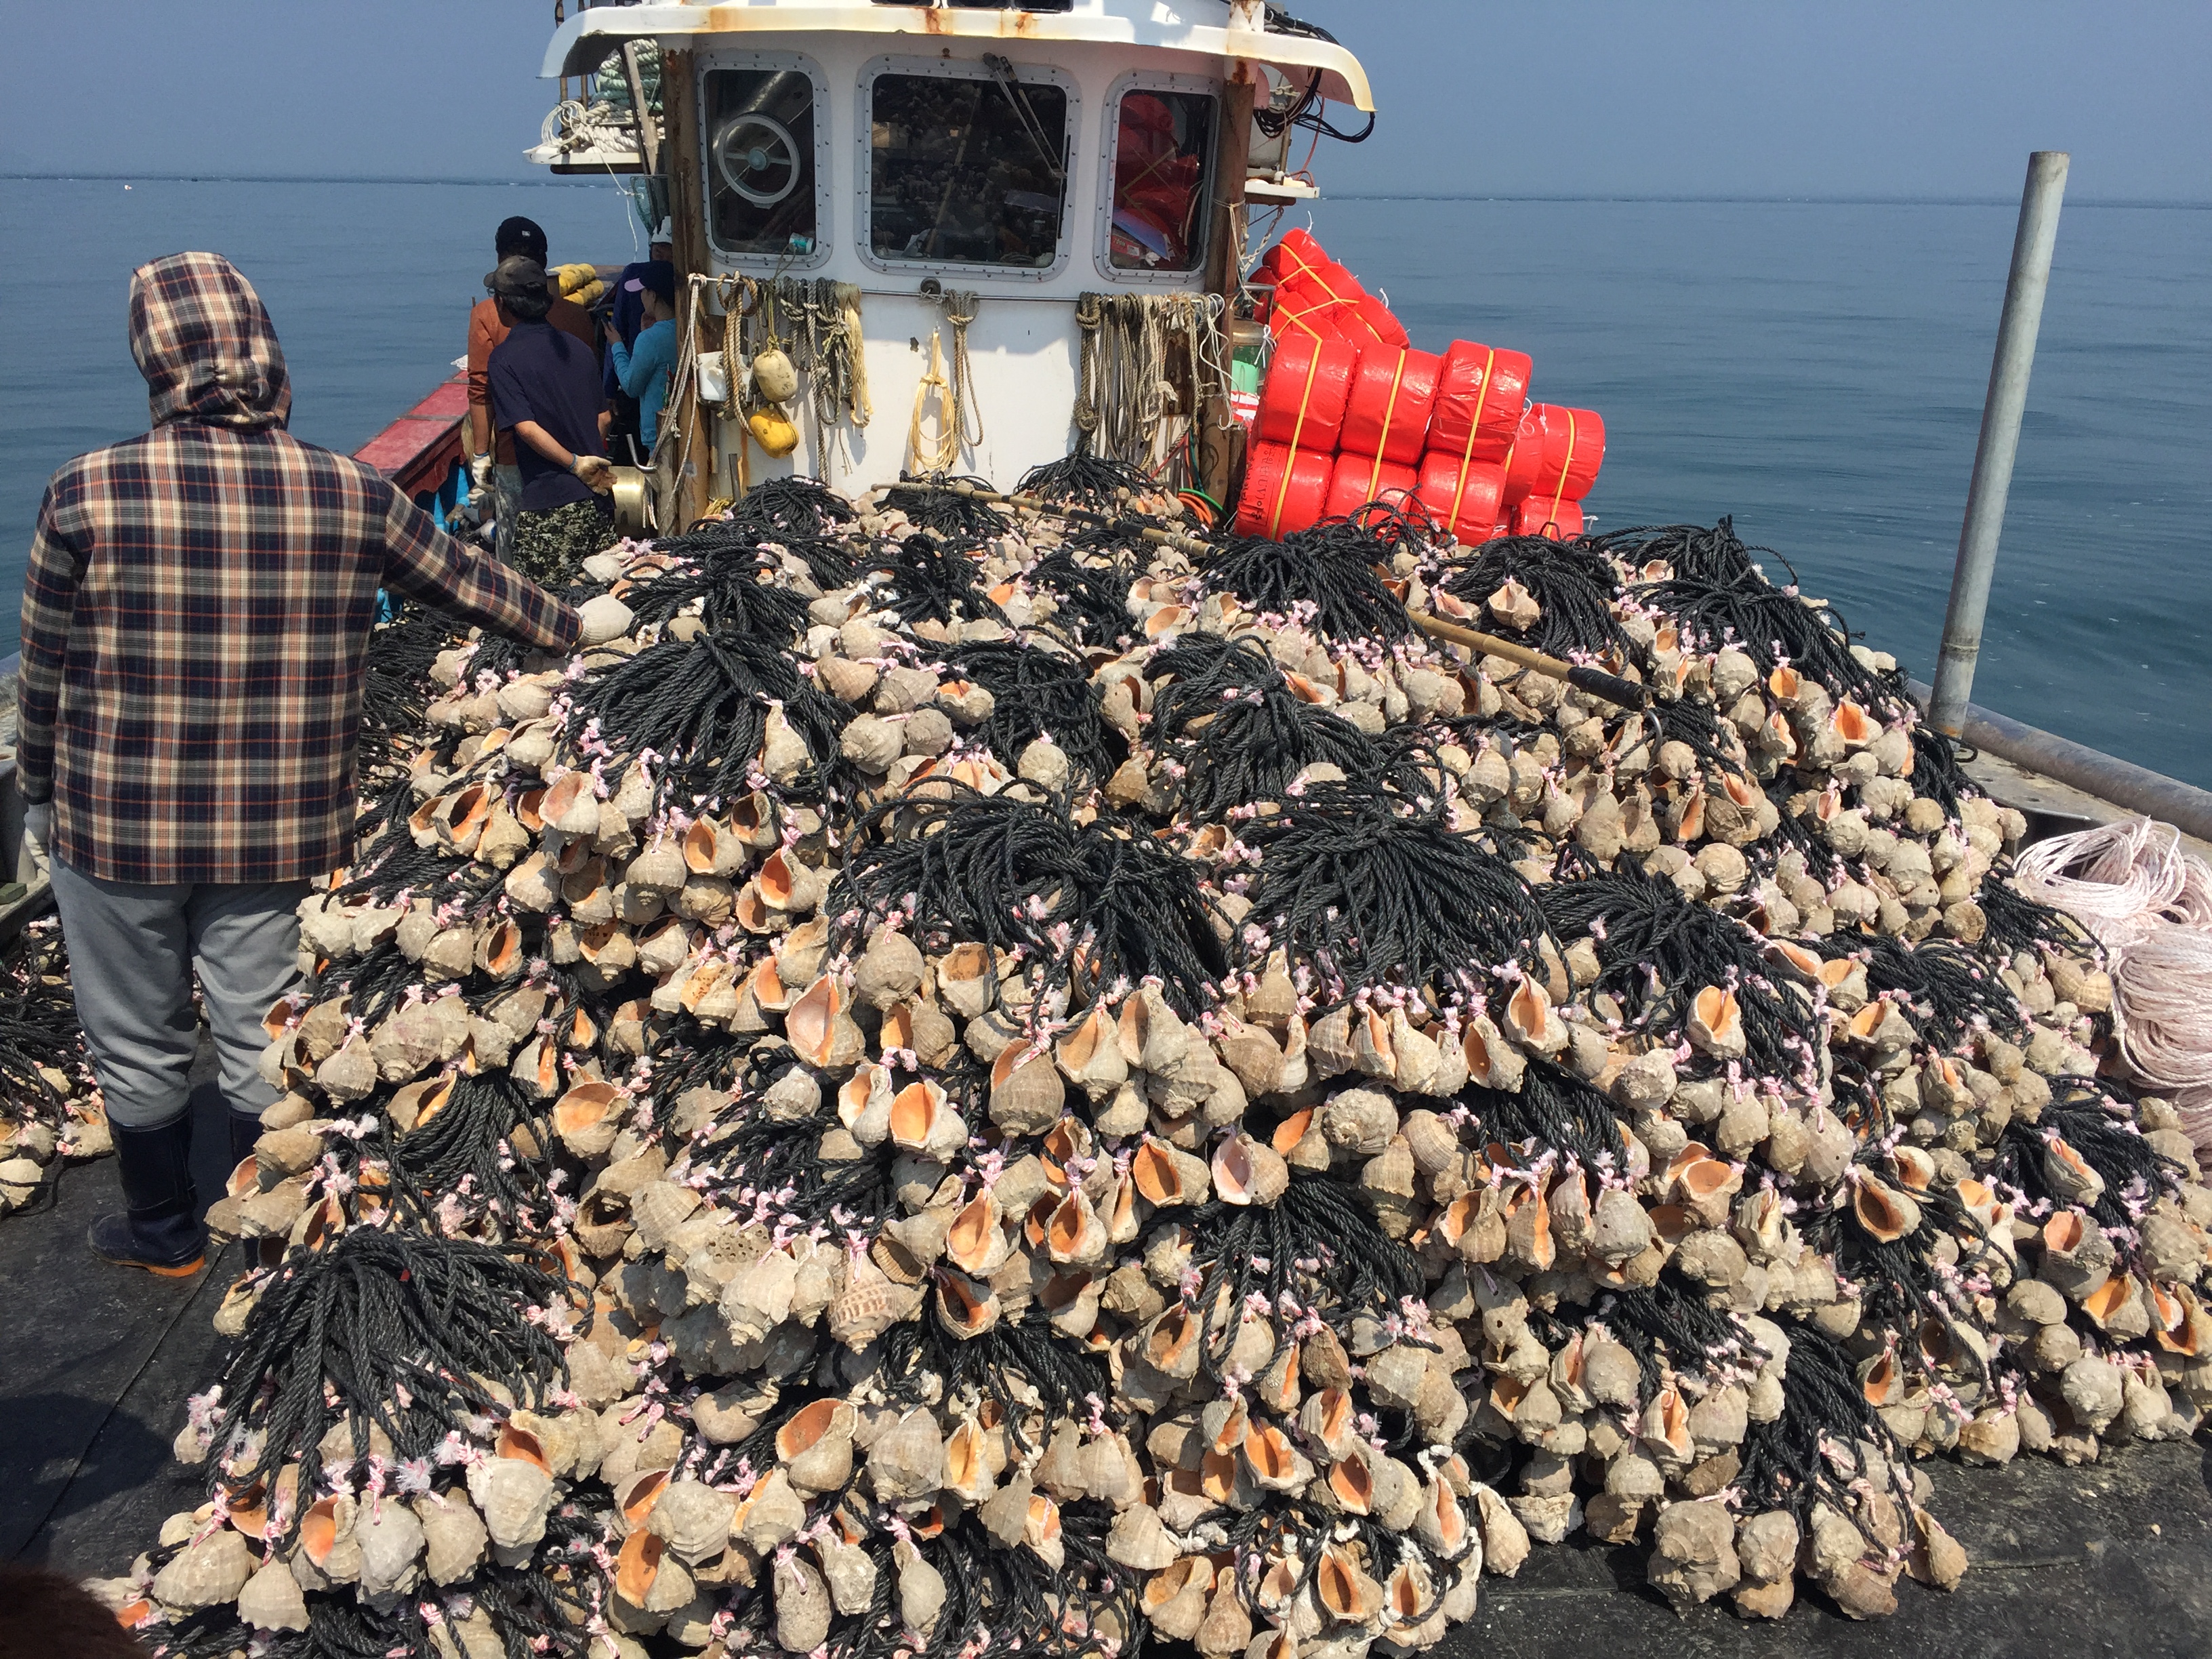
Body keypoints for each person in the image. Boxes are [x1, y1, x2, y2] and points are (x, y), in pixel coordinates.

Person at [16, 252, 585, 1276]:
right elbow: (486, 592)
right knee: (258, 1029)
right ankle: (264, 1245)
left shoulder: (85, 490)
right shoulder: (348, 491)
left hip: (113, 825)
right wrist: (585, 630)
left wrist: (45, 795)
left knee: (134, 1038)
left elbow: (45, 672)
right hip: (277, 824)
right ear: (267, 354)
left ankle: (164, 1236)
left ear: (156, 361)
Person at [466, 216, 596, 562]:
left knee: (517, 547)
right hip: (580, 451)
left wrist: (481, 454)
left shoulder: (486, 315)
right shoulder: (577, 318)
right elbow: (598, 399)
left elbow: (480, 390)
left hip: (516, 456)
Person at [485, 255, 619, 589]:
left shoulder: (503, 359)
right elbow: (603, 417)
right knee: (597, 595)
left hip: (549, 506)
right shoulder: (578, 348)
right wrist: (589, 459)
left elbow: (526, 428)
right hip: (597, 501)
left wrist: (574, 464)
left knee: (546, 609)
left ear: (503, 303)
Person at [603, 218, 675, 462]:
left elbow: (633, 386)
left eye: (644, 292)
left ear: (652, 295)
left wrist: (617, 347)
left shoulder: (651, 339)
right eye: (658, 252)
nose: (640, 297)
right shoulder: (681, 331)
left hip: (655, 433)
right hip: (676, 429)